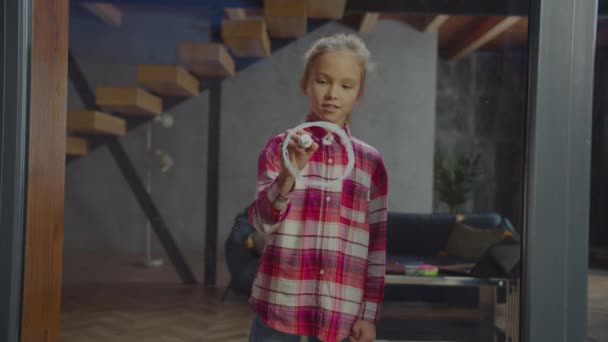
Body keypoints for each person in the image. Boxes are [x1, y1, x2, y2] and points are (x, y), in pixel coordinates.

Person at [248, 33, 388, 342]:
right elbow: (262, 223)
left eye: (346, 85)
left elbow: (376, 246)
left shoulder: (370, 164)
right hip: (279, 307)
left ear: (359, 94)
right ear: (305, 84)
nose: (332, 94)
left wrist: (368, 314)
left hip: (341, 317)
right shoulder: (278, 148)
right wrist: (290, 170)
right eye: (323, 81)